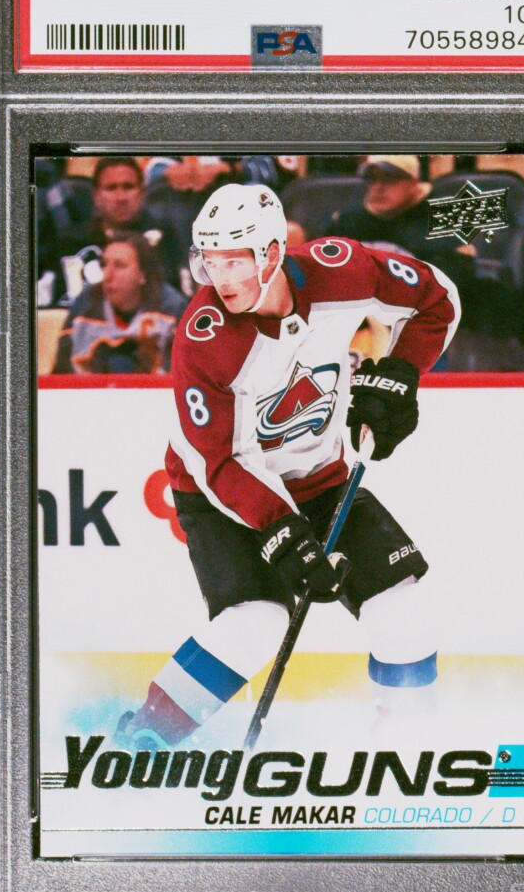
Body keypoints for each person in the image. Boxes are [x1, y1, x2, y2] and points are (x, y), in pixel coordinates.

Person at [115, 184, 460, 750]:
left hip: (319, 478)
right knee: (256, 620)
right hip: (220, 492)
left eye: (235, 261)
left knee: (403, 610)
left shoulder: (341, 270)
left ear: (273, 253)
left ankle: (407, 745)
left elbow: (435, 298)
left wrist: (401, 372)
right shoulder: (205, 338)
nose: (220, 279)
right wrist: (282, 530)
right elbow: (216, 459)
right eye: (210, 261)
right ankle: (142, 741)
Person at [53, 232, 188, 374]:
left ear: (143, 274)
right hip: (90, 388)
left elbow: (183, 373)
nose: (107, 275)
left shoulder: (172, 307)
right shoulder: (86, 302)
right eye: (104, 264)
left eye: (119, 265)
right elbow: (62, 369)